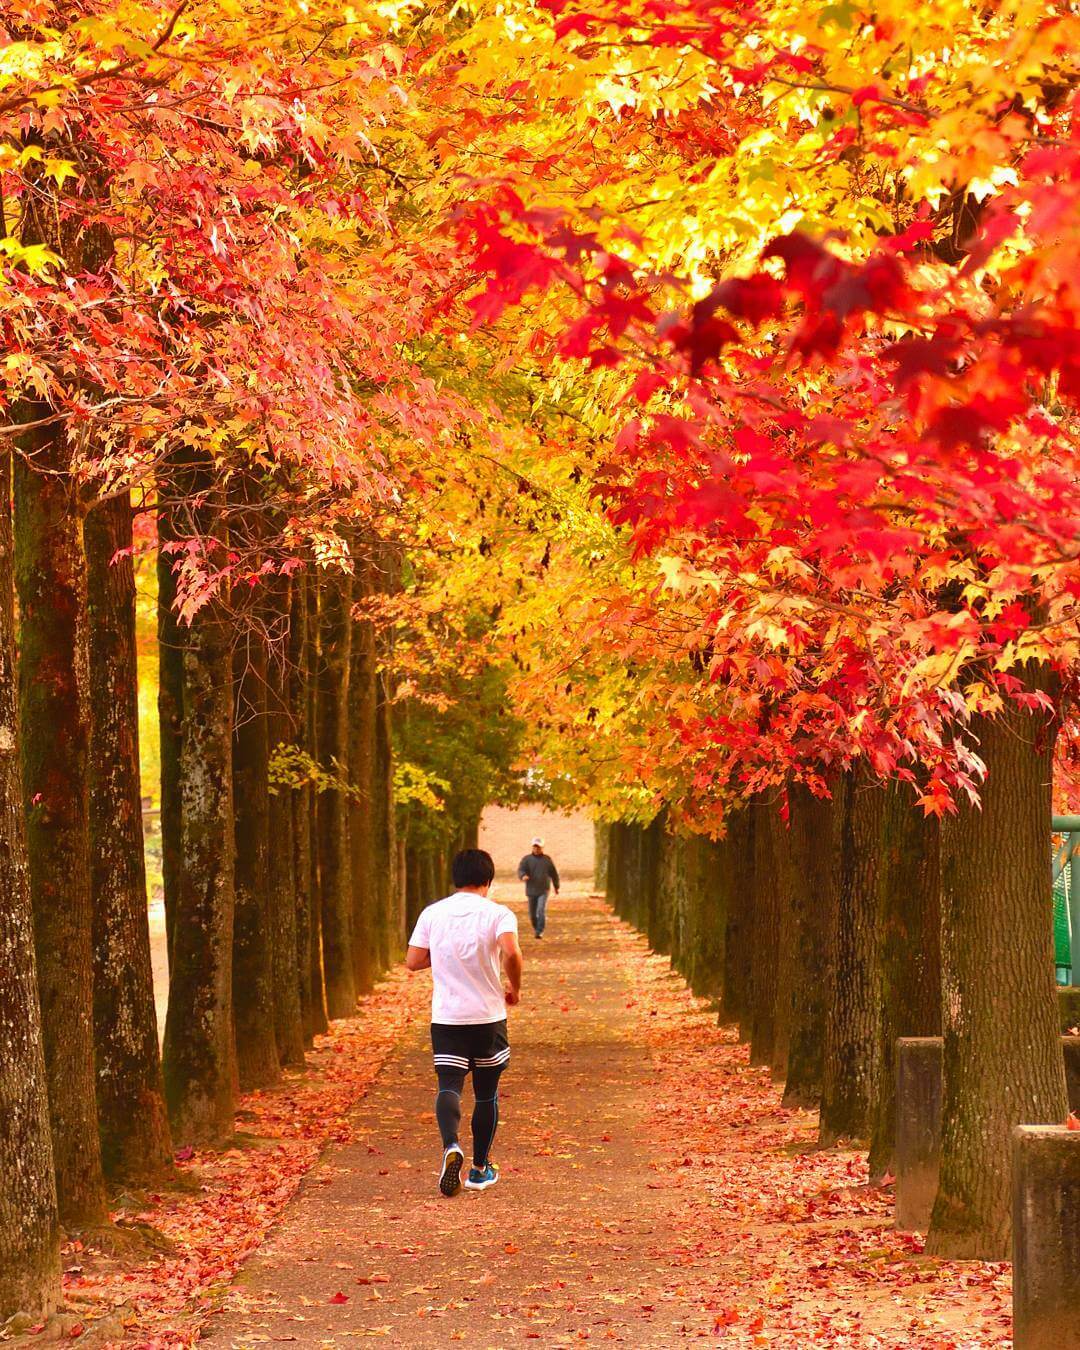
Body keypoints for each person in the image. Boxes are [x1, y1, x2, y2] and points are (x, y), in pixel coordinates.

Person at [405, 848, 524, 1197]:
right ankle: (479, 1169)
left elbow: (413, 961)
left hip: (447, 1018)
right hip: (488, 1016)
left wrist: (444, 959)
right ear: (487, 881)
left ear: (455, 879)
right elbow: (511, 951)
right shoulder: (498, 913)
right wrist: (514, 988)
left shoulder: (433, 913)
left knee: (449, 1086)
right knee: (486, 1094)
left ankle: (450, 1146)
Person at [517, 836, 560, 939]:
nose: (536, 849)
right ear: (532, 847)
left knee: (540, 910)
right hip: (531, 890)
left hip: (543, 889)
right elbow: (521, 870)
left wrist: (556, 886)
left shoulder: (547, 860)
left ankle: (539, 931)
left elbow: (554, 874)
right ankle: (537, 928)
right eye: (535, 847)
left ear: (542, 848)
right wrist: (523, 876)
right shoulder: (526, 859)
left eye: (539, 847)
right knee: (532, 915)